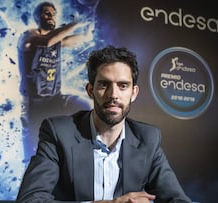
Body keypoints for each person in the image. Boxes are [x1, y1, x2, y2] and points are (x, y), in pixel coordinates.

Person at [16, 45, 191, 203]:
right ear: (90, 90)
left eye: (123, 86)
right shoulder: (58, 132)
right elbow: (30, 199)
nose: (113, 94)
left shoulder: (147, 138)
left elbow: (177, 200)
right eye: (104, 85)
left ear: (134, 93)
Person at [17, 2, 94, 157]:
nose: (52, 16)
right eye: (47, 13)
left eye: (54, 13)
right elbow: (47, 41)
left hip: (55, 97)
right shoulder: (28, 36)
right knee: (35, 148)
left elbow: (72, 40)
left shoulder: (55, 41)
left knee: (85, 105)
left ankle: (81, 152)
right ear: (37, 17)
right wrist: (76, 23)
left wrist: (88, 31)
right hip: (34, 103)